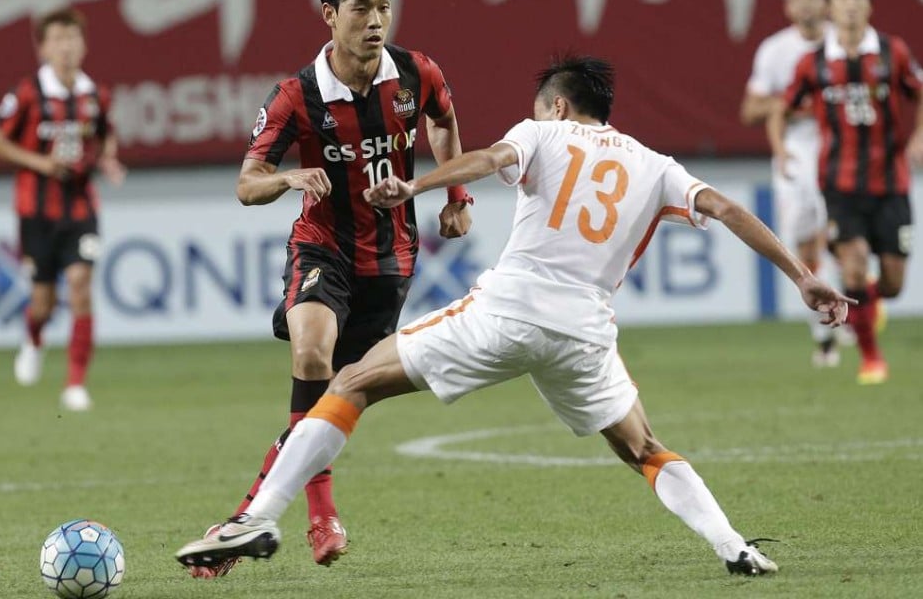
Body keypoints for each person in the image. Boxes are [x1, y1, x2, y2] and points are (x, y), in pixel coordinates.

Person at [175, 56, 852, 576]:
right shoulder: (656, 165)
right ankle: (732, 546)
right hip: (584, 337)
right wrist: (804, 277)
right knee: (644, 447)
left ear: (557, 105)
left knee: (350, 382)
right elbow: (728, 210)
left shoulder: (542, 132)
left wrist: (417, 184)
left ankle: (259, 518)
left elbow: (490, 157)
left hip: (507, 313)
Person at [188, 0, 472, 574]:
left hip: (392, 258)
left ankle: (240, 521)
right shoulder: (295, 96)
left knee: (338, 397)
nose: (376, 21)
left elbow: (444, 123)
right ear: (328, 14)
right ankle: (320, 515)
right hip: (322, 247)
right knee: (313, 354)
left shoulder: (416, 72)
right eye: (361, 8)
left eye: (384, 7)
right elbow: (247, 182)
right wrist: (289, 179)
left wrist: (456, 193)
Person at [769, 0, 923, 384]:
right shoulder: (813, 63)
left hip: (892, 185)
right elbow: (780, 108)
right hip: (839, 184)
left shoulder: (894, 52)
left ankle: (872, 303)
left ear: (870, 4)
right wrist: (781, 149)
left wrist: (918, 139)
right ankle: (871, 359)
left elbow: (919, 92)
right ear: (829, 8)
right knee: (853, 271)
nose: (851, 4)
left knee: (891, 284)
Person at [0, 7, 125, 412]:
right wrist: (41, 163)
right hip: (36, 212)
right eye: (58, 40)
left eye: (72, 39)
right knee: (44, 301)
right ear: (43, 48)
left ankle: (75, 383)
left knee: (81, 287)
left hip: (82, 208)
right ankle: (33, 338)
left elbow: (105, 136)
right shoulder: (28, 93)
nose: (66, 47)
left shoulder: (94, 94)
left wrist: (108, 159)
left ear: (83, 45)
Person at [741, 0, 841, 367]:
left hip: (842, 145)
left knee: (839, 234)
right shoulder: (776, 50)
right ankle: (825, 326)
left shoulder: (845, 41)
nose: (805, 4)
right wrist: (791, 102)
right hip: (796, 148)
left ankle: (838, 322)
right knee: (803, 244)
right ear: (787, 6)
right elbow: (751, 109)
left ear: (826, 1)